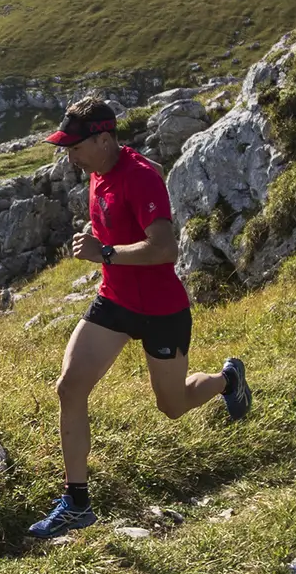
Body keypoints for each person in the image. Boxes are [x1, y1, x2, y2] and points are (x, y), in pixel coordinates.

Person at [28, 96, 252, 539]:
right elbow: (113, 224)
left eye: (75, 146)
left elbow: (165, 249)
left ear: (105, 139)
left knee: (172, 406)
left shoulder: (142, 177)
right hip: (113, 302)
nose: (68, 154)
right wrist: (97, 236)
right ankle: (77, 503)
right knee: (69, 387)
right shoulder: (96, 174)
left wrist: (105, 252)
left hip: (161, 310)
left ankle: (229, 380)